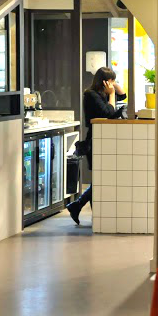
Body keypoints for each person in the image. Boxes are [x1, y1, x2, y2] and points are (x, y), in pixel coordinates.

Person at [67, 67, 127, 225]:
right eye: (111, 81)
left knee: (100, 179)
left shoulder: (101, 94)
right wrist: (112, 94)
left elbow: (123, 96)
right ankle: (80, 207)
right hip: (94, 141)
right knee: (101, 179)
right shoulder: (91, 95)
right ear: (104, 82)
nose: (113, 84)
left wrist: (115, 87)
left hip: (101, 140)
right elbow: (108, 112)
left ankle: (78, 206)